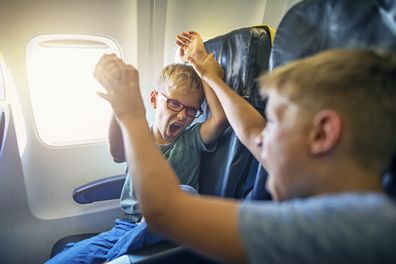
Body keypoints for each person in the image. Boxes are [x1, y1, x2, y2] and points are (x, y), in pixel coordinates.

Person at [94, 46, 396, 263]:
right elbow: (251, 131)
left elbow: (164, 211)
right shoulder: (359, 211)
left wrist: (128, 112)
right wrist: (209, 75)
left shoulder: (344, 228)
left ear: (322, 134)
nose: (262, 138)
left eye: (274, 121)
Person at [47, 49, 227, 263]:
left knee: (185, 194)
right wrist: (118, 106)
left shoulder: (192, 138)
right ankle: (110, 253)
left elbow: (220, 119)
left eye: (191, 110)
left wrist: (204, 72)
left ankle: (110, 256)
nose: (182, 115)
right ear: (154, 100)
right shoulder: (139, 136)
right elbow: (117, 153)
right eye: (174, 104)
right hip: (127, 227)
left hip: (171, 228)